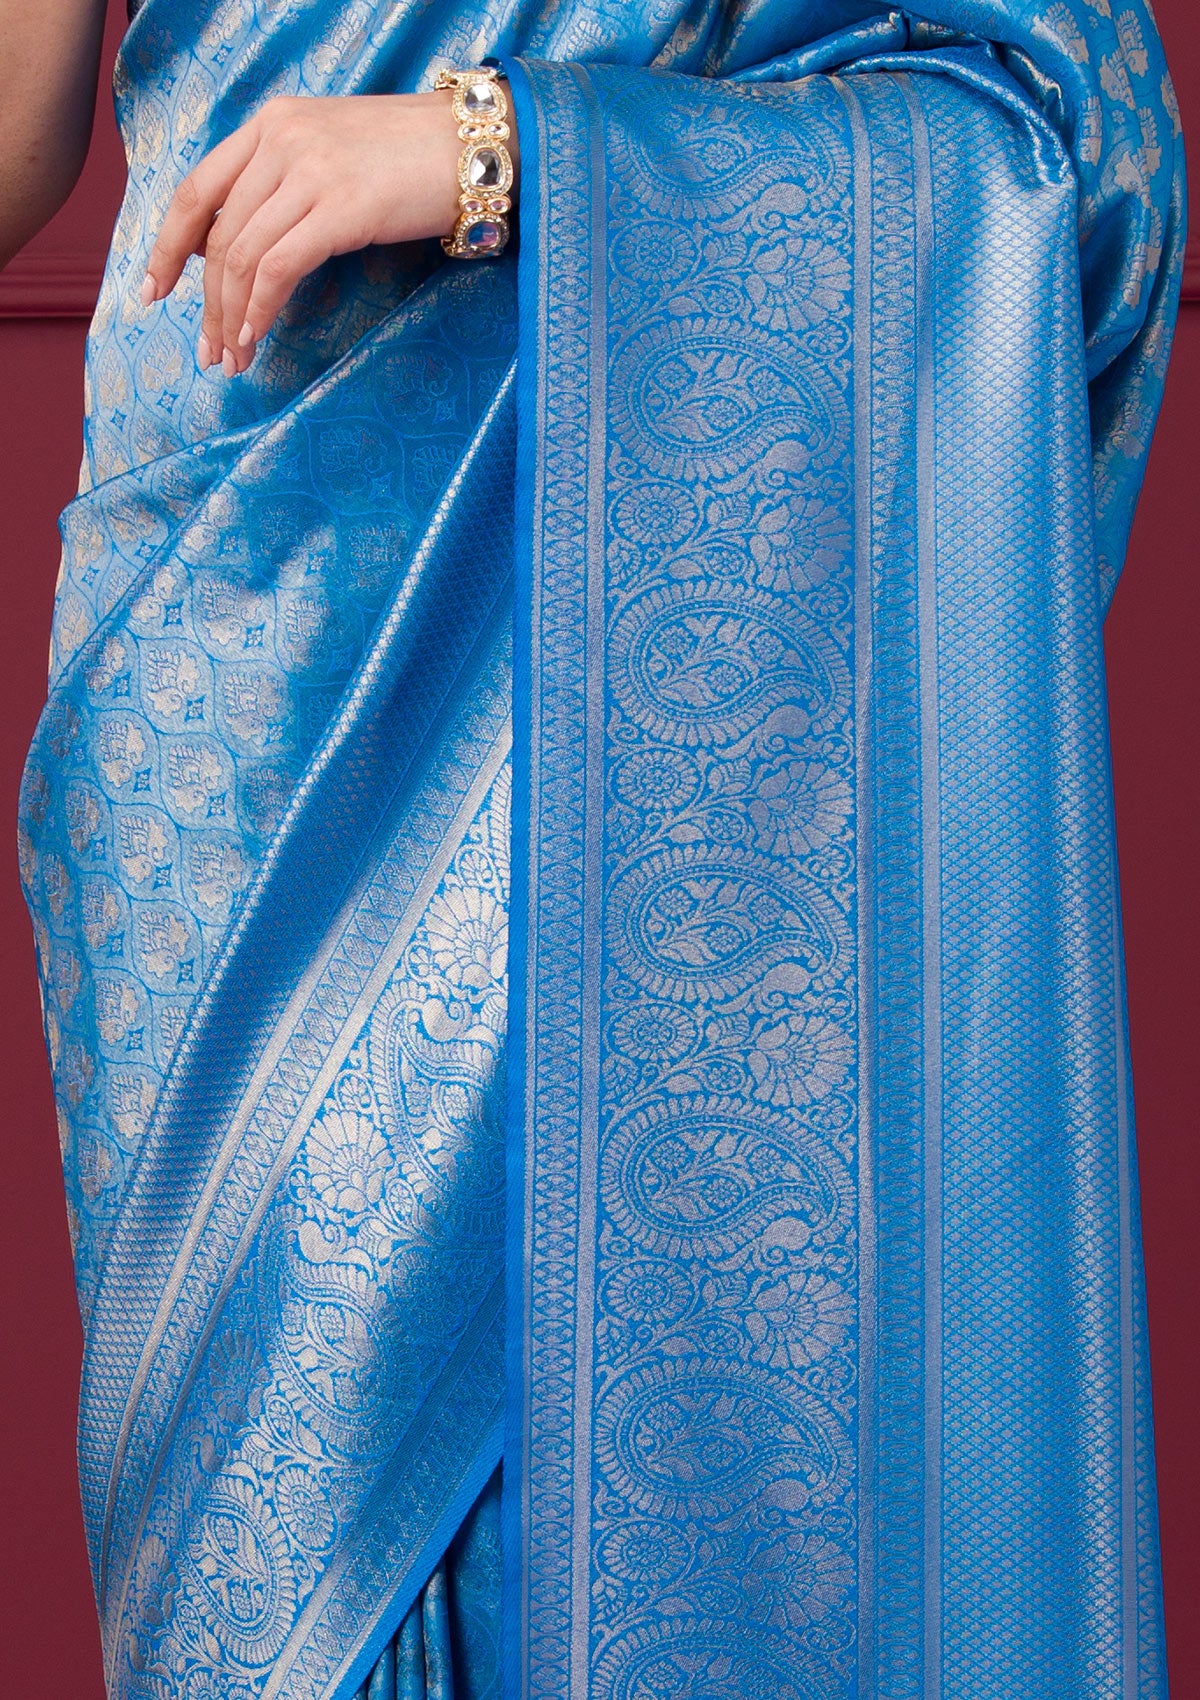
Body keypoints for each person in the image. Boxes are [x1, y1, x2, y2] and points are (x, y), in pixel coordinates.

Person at [1, 1, 1185, 1696]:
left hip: (617, 543)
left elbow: (1053, 133)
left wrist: (494, 150)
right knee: (251, 1552)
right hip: (220, 637)